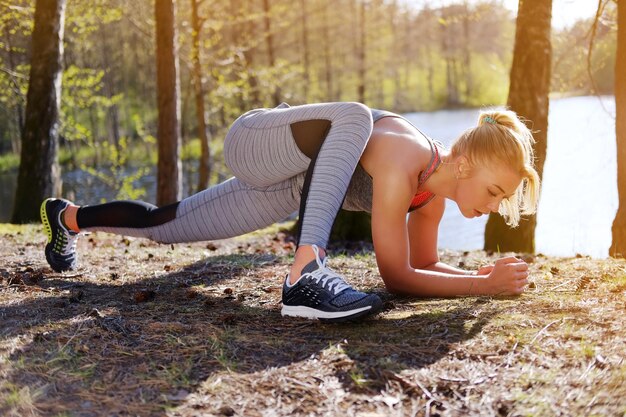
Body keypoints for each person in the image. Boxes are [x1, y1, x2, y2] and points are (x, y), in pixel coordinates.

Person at [41, 102, 539, 323]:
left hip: (296, 186)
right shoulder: (406, 159)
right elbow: (395, 276)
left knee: (166, 225)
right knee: (355, 115)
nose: (494, 206)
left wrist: (477, 275)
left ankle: (67, 218)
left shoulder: (430, 196)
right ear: (466, 162)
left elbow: (420, 269)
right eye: (495, 191)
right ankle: (306, 270)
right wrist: (480, 287)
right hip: (260, 142)